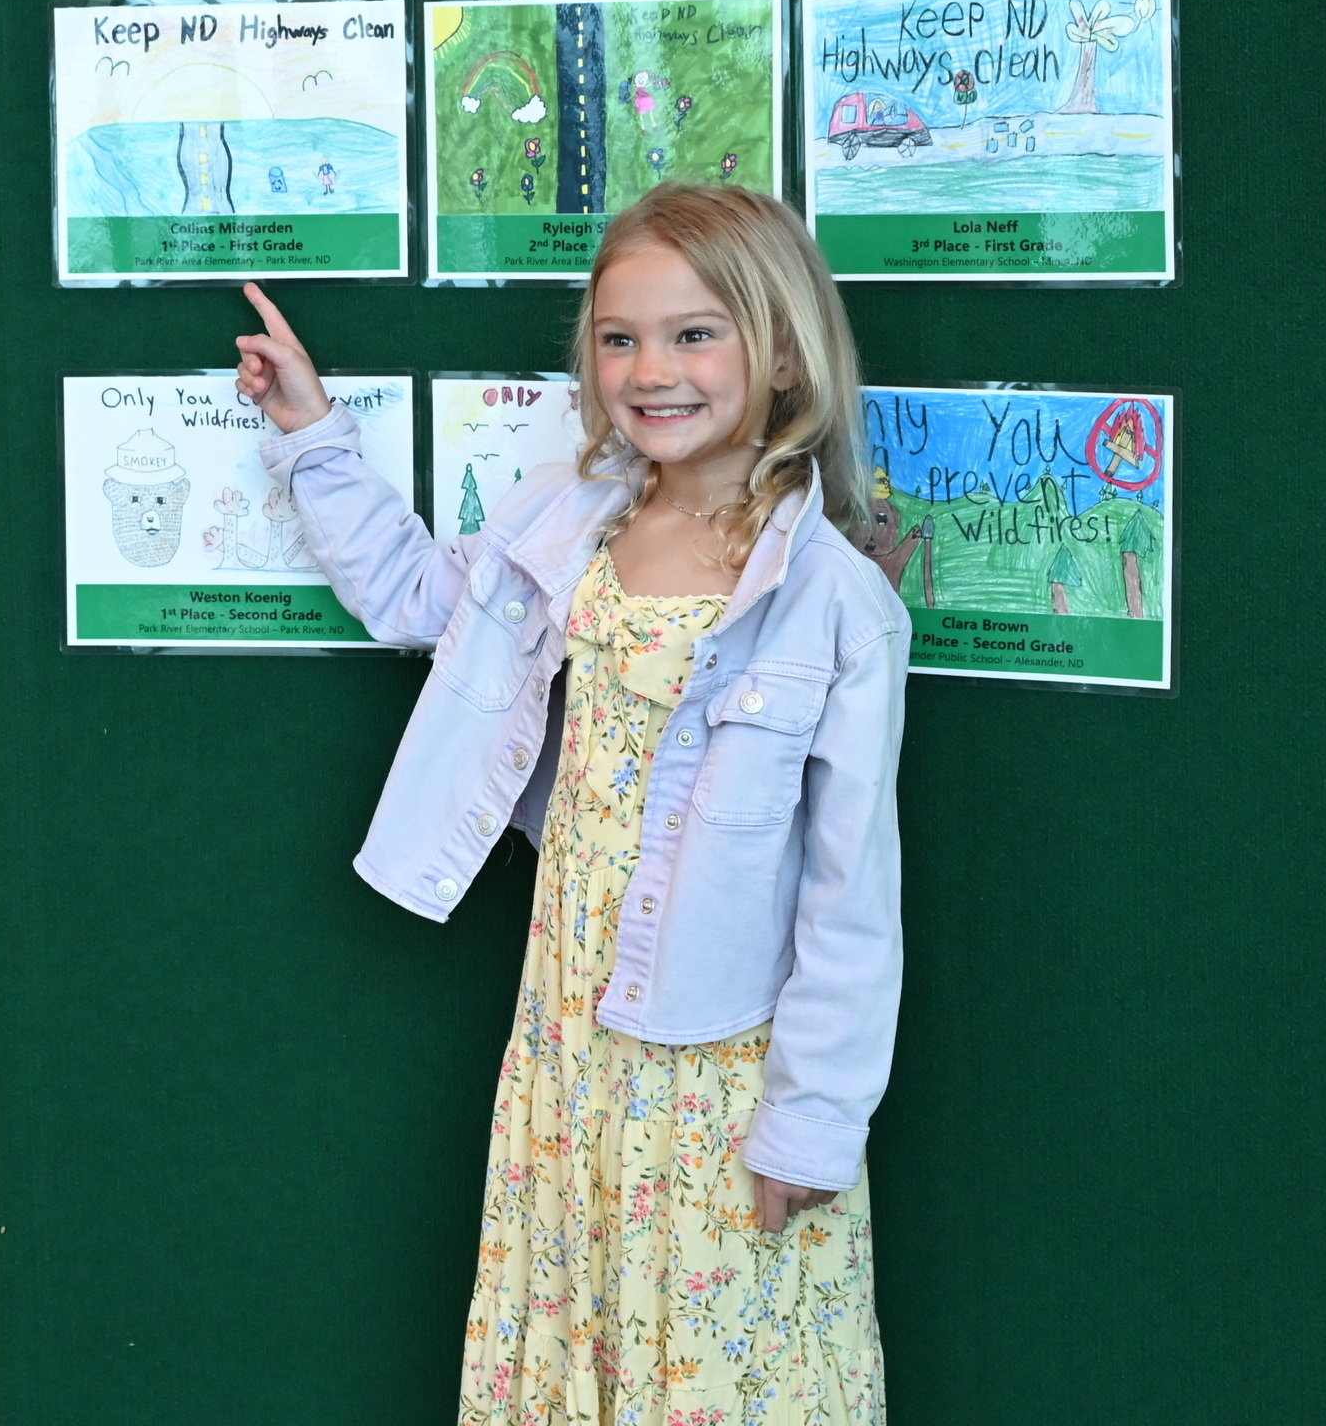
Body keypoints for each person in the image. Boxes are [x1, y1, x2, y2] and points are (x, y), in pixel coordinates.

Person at [229, 184, 905, 1426]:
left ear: (784, 351)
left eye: (695, 334)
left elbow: (849, 897)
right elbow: (414, 594)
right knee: (575, 1339)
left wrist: (809, 1128)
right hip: (569, 1036)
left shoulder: (832, 601)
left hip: (715, 1066)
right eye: (618, 337)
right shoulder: (568, 520)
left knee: (717, 1365)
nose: (652, 370)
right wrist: (312, 432)